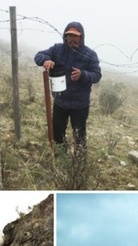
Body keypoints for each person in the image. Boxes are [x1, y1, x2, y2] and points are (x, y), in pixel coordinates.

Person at [34, 22, 102, 155]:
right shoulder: (57, 49)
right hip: (60, 102)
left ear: (81, 37)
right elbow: (38, 55)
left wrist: (83, 74)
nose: (72, 39)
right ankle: (61, 156)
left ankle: (79, 163)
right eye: (69, 35)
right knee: (57, 132)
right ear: (65, 36)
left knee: (79, 136)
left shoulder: (90, 54)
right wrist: (46, 60)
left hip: (80, 105)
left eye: (75, 36)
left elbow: (97, 75)